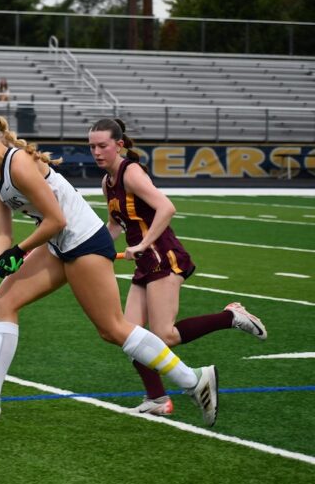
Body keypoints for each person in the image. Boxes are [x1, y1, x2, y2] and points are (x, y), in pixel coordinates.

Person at [0, 109, 219, 427]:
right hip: (58, 244)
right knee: (4, 302)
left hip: (85, 241)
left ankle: (194, 380)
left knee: (112, 329)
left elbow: (57, 219)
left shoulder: (19, 164)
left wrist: (20, 251)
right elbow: (4, 235)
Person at [90, 118, 267, 416]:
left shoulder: (130, 172)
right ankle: (157, 399)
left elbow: (166, 207)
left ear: (118, 145)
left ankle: (231, 317)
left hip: (162, 256)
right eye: (92, 146)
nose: (96, 152)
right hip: (145, 262)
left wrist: (144, 244)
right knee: (128, 334)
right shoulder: (107, 181)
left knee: (165, 335)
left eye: (102, 145)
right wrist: (93, 251)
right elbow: (113, 225)